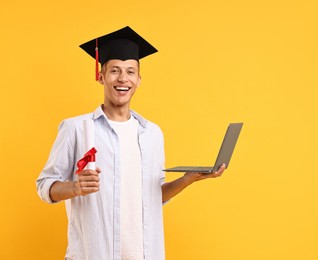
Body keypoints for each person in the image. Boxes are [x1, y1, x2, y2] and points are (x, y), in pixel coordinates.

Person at [36, 26, 225, 260]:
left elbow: (153, 196)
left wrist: (187, 180)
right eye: (115, 71)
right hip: (95, 254)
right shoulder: (75, 128)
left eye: (130, 71)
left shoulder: (152, 133)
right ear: (101, 76)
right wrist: (76, 188)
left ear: (138, 79)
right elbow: (45, 186)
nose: (123, 79)